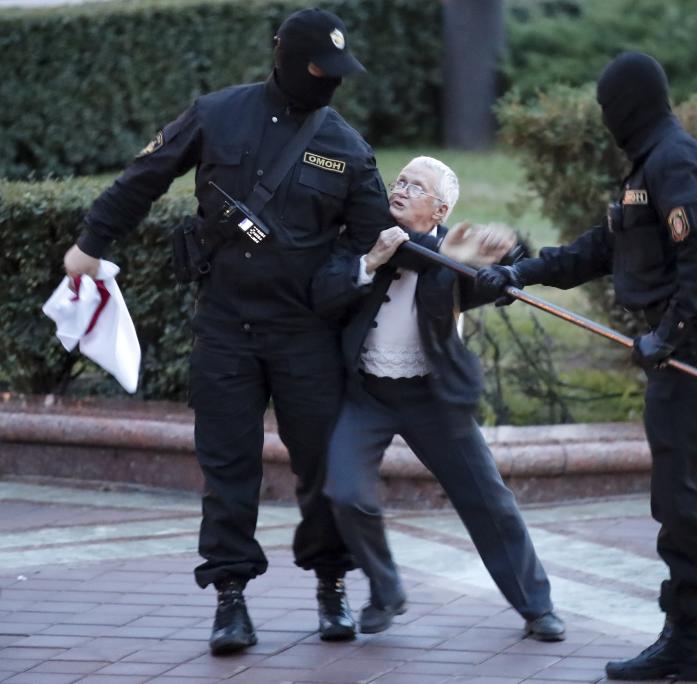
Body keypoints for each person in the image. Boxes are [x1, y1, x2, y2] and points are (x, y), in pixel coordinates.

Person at [61, 9, 493, 655]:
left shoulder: (346, 148)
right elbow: (143, 178)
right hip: (225, 327)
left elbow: (382, 244)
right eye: (320, 68)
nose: (329, 82)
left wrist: (481, 268)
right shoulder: (217, 113)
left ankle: (331, 584)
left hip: (305, 336)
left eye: (338, 73)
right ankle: (230, 599)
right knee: (228, 468)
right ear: (285, 56)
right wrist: (91, 243)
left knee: (319, 470)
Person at [476, 53, 697, 681]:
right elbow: (604, 245)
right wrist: (522, 272)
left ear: (629, 105)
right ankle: (683, 638)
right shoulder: (648, 166)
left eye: (606, 108)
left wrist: (670, 335)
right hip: (675, 355)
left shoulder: (675, 160)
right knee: (676, 505)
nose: (604, 120)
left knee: (690, 505)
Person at [314, 156, 566, 641]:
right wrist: (370, 262)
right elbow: (323, 293)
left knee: (489, 501)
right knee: (346, 493)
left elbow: (501, 273)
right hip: (368, 392)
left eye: (417, 187)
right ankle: (386, 589)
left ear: (440, 207)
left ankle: (537, 607)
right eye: (400, 180)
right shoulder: (365, 235)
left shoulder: (451, 252)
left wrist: (504, 254)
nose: (402, 190)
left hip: (432, 395)